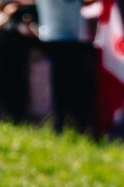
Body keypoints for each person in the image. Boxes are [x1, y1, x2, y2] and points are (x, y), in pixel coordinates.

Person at [34, 0, 97, 134]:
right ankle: (62, 125)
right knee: (62, 89)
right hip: (56, 40)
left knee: (74, 88)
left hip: (73, 42)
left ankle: (72, 126)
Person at [0, 0, 39, 123]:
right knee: (5, 89)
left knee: (21, 92)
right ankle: (4, 118)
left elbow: (37, 37)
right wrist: (7, 15)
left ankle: (21, 119)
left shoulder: (22, 20)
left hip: (21, 64)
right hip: (3, 62)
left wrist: (28, 25)